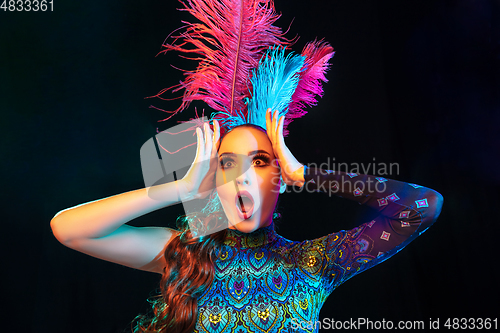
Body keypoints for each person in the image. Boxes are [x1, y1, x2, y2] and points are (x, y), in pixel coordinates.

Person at [50, 1, 444, 332]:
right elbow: (68, 229)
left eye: (259, 161)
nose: (241, 175)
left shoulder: (314, 264)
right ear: (215, 181)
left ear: (280, 181)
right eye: (226, 163)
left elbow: (422, 207)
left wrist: (307, 174)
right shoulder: (183, 256)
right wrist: (180, 190)